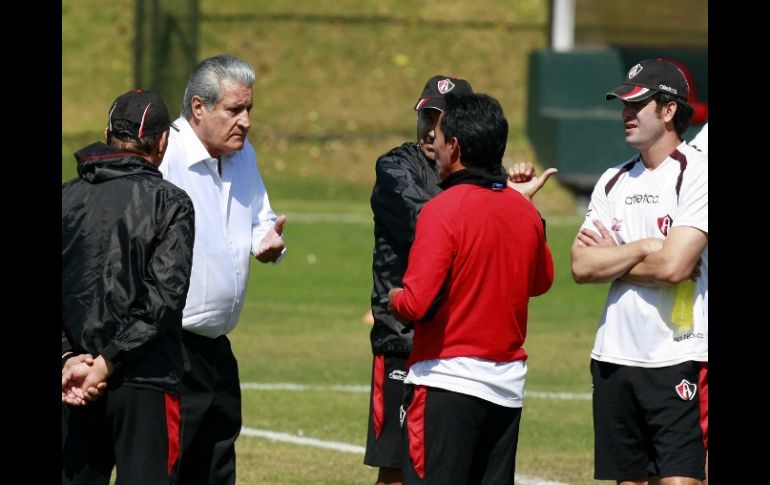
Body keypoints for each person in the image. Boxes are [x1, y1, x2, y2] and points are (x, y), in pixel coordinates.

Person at [388, 93, 555, 484]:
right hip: (506, 387)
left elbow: (415, 303)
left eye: (442, 138)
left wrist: (393, 298)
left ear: (456, 147)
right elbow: (541, 282)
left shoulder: (443, 209)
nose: (437, 146)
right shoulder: (524, 211)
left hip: (446, 382)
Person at [570, 58, 708, 484]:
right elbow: (580, 265)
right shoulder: (612, 180)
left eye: (637, 104)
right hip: (613, 357)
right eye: (623, 105)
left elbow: (675, 266)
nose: (625, 114)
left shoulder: (697, 172)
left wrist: (616, 259)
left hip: (679, 355)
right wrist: (646, 246)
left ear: (669, 110)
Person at [158, 54, 287, 485]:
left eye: (249, 109)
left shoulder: (242, 154)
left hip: (218, 347)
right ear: (199, 107)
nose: (246, 121)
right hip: (171, 349)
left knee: (216, 466)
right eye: (234, 110)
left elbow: (259, 218)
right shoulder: (166, 152)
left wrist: (265, 242)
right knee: (167, 468)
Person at [62, 89, 195, 484]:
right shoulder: (171, 202)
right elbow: (164, 297)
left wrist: (70, 359)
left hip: (74, 380)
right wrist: (107, 362)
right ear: (162, 143)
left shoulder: (67, 197)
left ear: (106, 132)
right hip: (147, 380)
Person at [366, 74, 473, 485]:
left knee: (450, 466)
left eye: (440, 118)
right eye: (426, 115)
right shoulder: (396, 167)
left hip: (460, 340)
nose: (430, 128)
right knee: (396, 469)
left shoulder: (480, 173)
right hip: (403, 340)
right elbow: (427, 222)